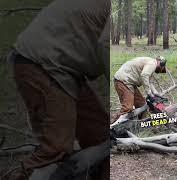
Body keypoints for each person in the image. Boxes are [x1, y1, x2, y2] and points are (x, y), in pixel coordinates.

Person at [6, 0, 110, 179]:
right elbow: (107, 44)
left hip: (64, 67)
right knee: (56, 147)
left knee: (101, 136)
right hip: (43, 64)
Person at [112, 56, 167, 123]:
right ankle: (113, 126)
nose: (160, 70)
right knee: (127, 107)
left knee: (141, 104)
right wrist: (149, 93)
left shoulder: (151, 63)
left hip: (130, 82)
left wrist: (156, 94)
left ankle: (138, 123)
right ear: (161, 64)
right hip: (123, 81)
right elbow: (144, 75)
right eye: (162, 69)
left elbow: (150, 81)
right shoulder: (152, 64)